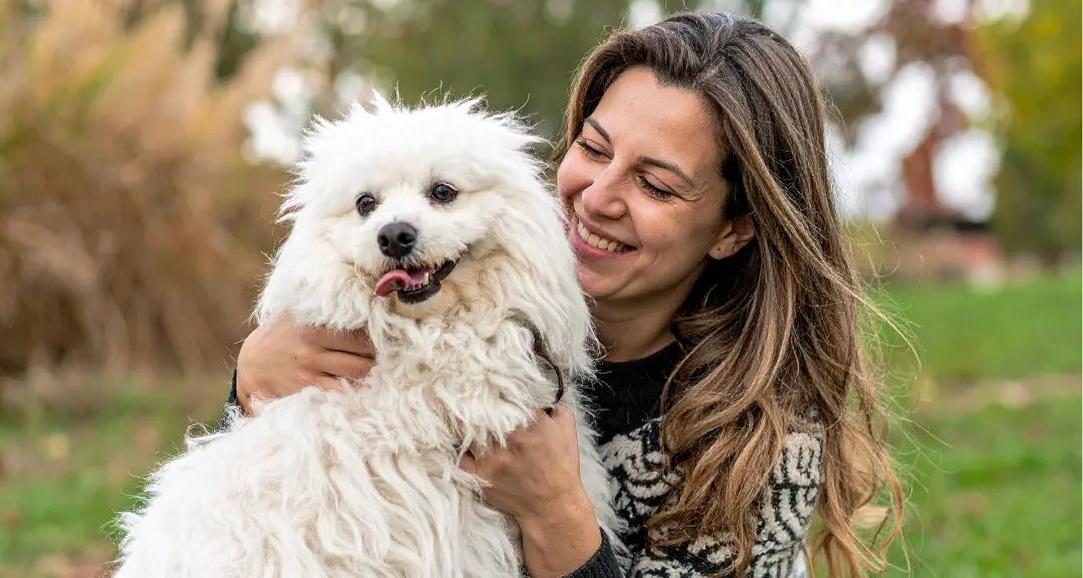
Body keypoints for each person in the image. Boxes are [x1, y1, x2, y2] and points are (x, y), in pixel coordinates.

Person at [223, 11, 904, 578]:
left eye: (655, 185)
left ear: (734, 228)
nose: (597, 197)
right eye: (594, 149)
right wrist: (252, 388)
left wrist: (555, 513)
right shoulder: (426, 307)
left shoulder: (763, 447)